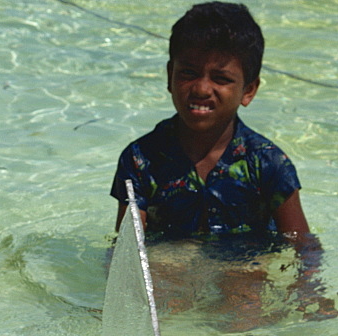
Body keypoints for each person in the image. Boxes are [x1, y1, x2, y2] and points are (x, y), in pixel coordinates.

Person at [112, 2, 307, 237]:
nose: (202, 89)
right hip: (171, 270)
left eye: (221, 78)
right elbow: (126, 252)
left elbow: (304, 252)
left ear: (249, 90)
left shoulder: (268, 164)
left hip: (245, 270)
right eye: (189, 73)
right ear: (169, 75)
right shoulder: (140, 160)